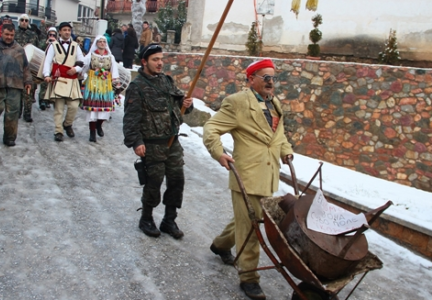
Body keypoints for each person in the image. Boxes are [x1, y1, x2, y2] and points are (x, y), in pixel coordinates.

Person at [202, 59, 294, 300]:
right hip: (247, 175)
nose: (270, 82)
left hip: (268, 175)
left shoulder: (274, 104)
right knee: (251, 228)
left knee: (249, 219)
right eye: (265, 77)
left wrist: (286, 150)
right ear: (251, 79)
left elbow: (278, 135)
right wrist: (218, 152)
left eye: (273, 77)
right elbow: (211, 128)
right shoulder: (238, 103)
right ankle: (249, 277)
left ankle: (221, 244)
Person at [123, 43, 194, 239]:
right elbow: (130, 119)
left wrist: (187, 104)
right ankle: (146, 218)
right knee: (154, 183)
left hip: (172, 142)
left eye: (161, 59)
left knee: (177, 181)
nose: (160, 63)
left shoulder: (167, 82)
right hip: (152, 144)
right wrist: (136, 142)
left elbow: (181, 105)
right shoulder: (137, 88)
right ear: (144, 62)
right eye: (155, 59)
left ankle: (169, 220)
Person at [0, 24, 32, 147]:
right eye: (7, 34)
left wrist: (28, 81)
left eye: (12, 35)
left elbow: (25, 67)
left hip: (15, 85)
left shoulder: (19, 49)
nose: (9, 37)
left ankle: (9, 137)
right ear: (2, 34)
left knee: (12, 113)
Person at [42, 22, 85, 142]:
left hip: (72, 79)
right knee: (59, 108)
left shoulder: (76, 46)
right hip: (59, 80)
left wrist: (75, 69)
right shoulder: (53, 45)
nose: (67, 32)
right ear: (59, 32)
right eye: (64, 30)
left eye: (69, 30)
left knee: (74, 106)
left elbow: (82, 61)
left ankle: (67, 124)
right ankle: (58, 131)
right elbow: (47, 61)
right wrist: (46, 74)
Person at [81, 35, 121, 142]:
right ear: (96, 43)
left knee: (105, 109)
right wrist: (81, 76)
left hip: (105, 85)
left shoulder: (110, 57)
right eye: (100, 41)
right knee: (92, 110)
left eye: (104, 42)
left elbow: (114, 70)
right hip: (93, 84)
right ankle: (92, 132)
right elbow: (83, 67)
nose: (102, 43)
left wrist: (115, 83)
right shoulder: (91, 55)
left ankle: (99, 124)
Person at [15, 14, 39, 123]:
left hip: (29, 67)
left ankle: (27, 113)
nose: (24, 22)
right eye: (22, 20)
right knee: (17, 90)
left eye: (26, 20)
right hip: (16, 65)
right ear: (19, 21)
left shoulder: (33, 35)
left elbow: (37, 49)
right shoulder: (14, 34)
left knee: (28, 91)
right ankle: (17, 111)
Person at [36, 27, 57, 111]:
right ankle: (42, 101)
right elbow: (39, 49)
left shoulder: (58, 43)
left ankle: (47, 100)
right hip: (44, 64)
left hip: (54, 65)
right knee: (43, 84)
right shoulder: (43, 41)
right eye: (50, 34)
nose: (52, 36)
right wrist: (46, 44)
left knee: (51, 85)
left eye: (54, 35)